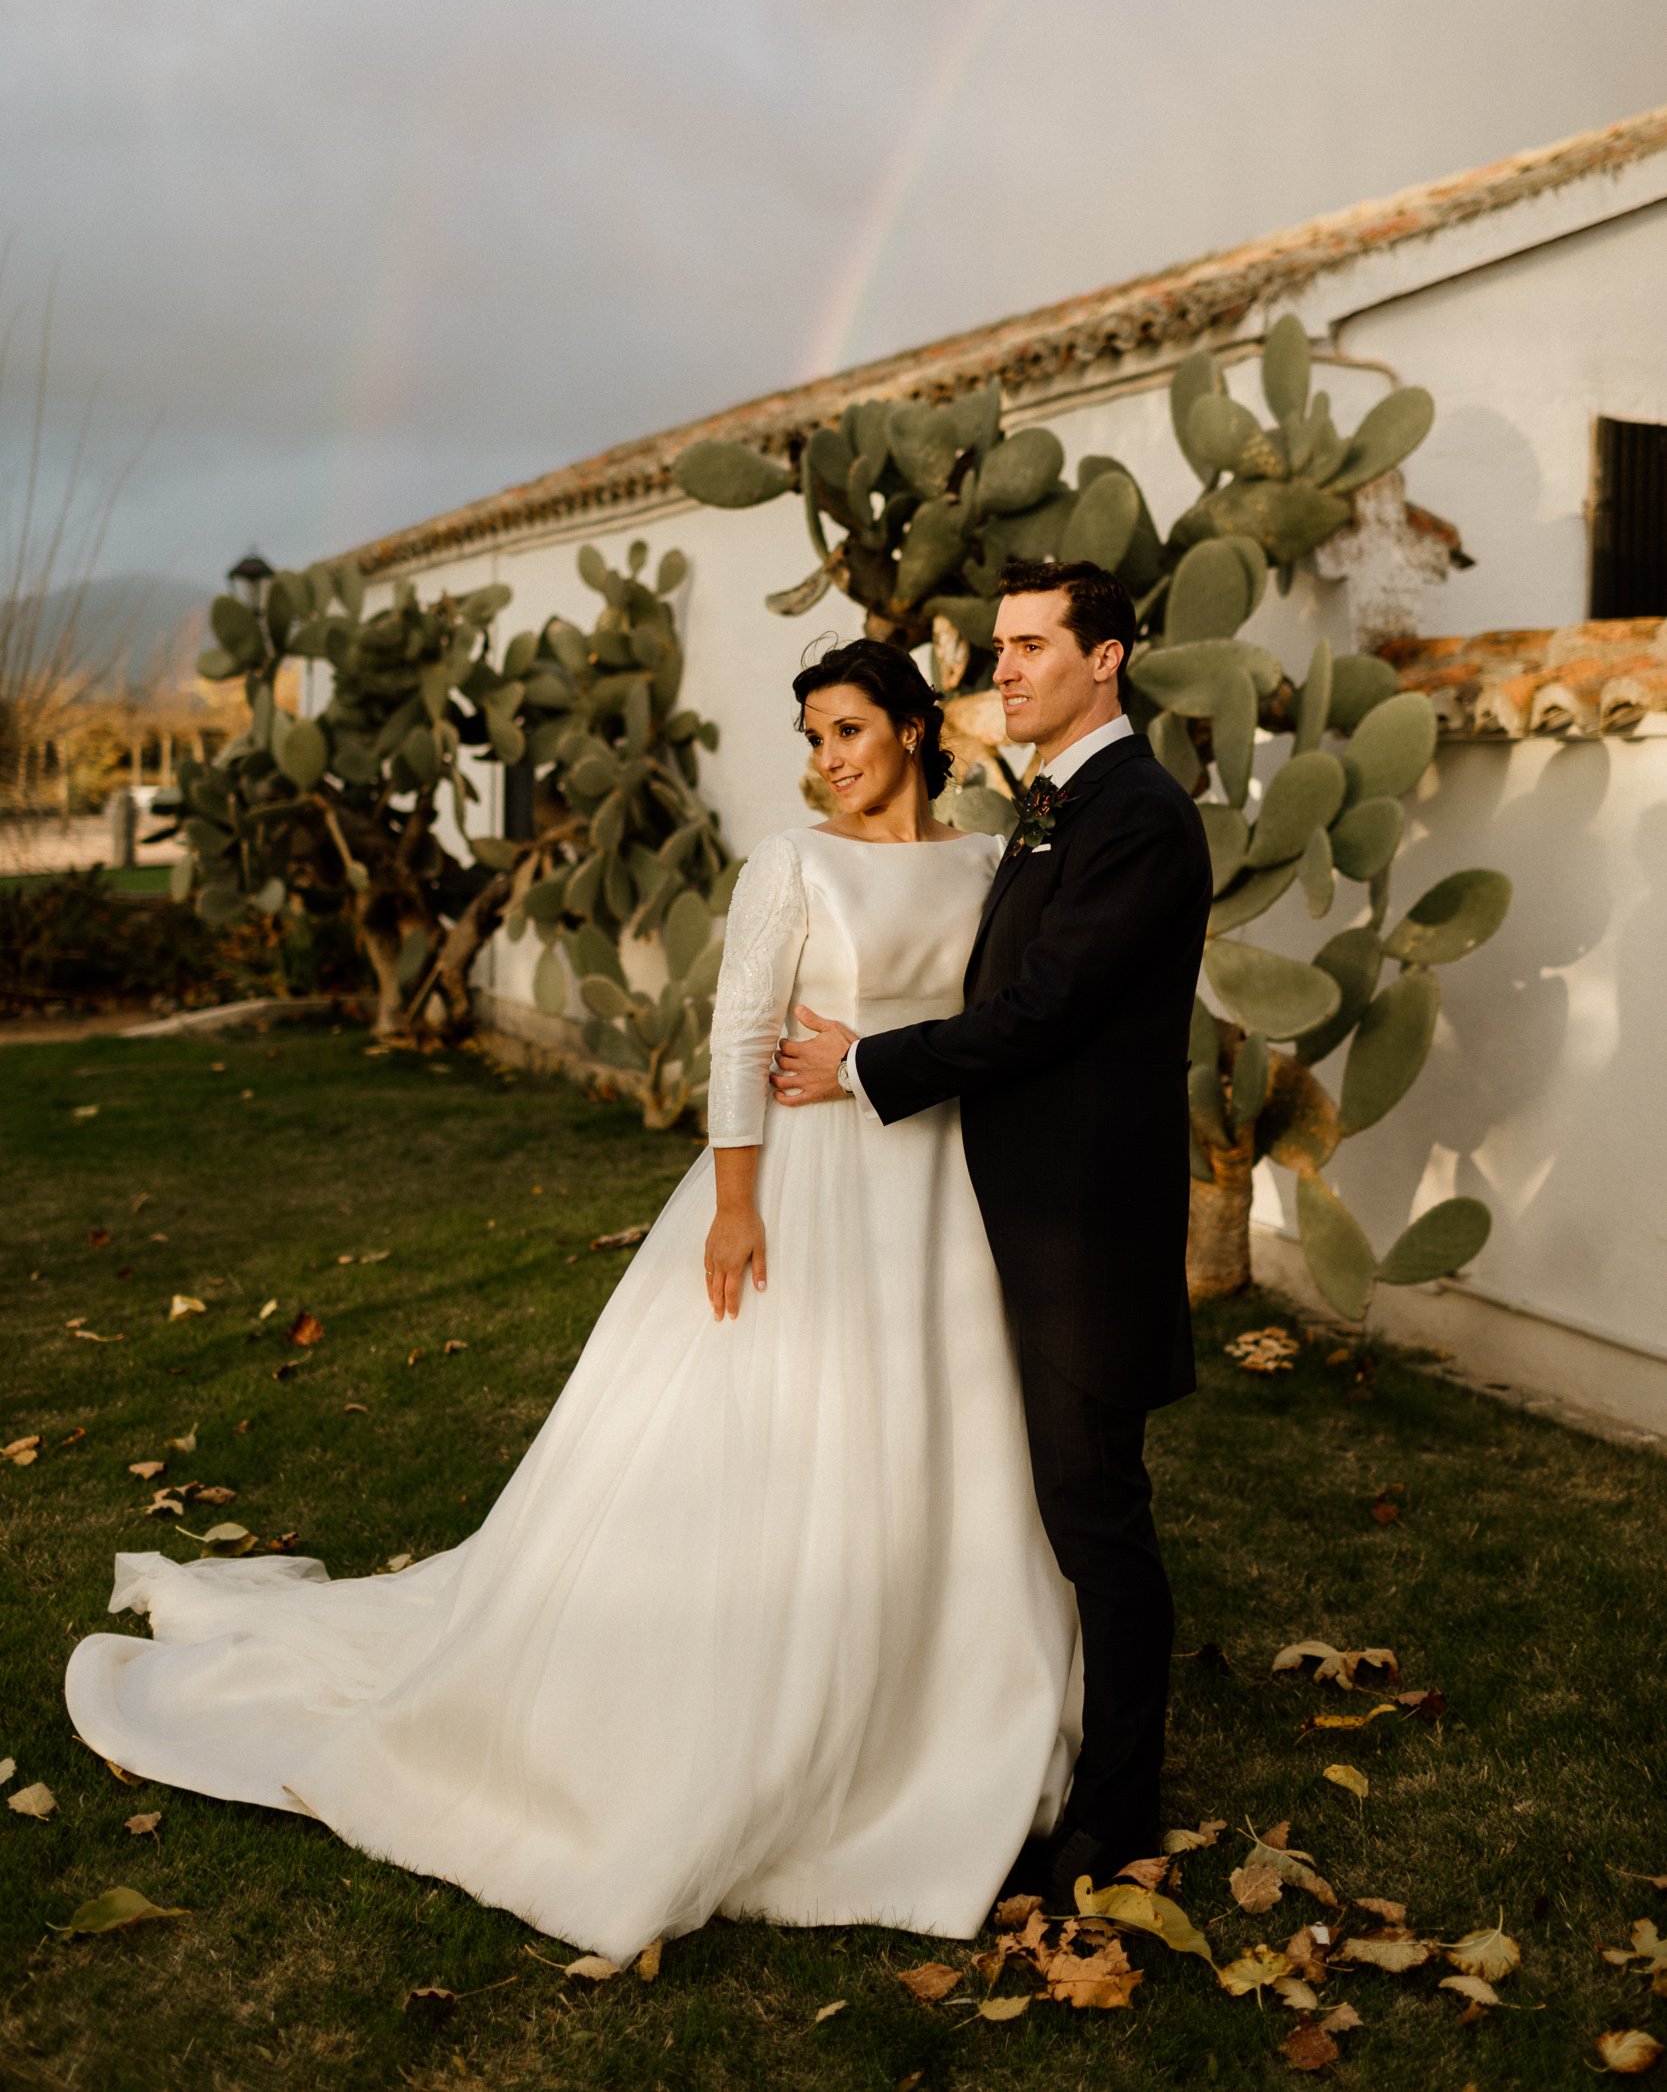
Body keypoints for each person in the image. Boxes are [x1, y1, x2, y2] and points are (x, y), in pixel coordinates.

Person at [64, 640, 1078, 1964]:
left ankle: (941, 1714)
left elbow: (989, 1022)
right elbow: (735, 1036)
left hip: (938, 1189)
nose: (825, 760)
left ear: (911, 727)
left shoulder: (987, 860)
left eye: (846, 730)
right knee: (780, 1449)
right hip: (806, 1189)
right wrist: (732, 1203)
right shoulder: (792, 861)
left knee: (944, 1445)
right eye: (812, 736)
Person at [773, 558, 1213, 1910]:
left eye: (1030, 648)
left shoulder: (1136, 816)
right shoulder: (1051, 805)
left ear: (1108, 659)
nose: (1003, 670)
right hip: (1012, 1215)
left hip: (1082, 1232)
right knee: (1055, 1514)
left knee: (1097, 1519)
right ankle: (1042, 1752)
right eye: (1002, 649)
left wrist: (865, 1065)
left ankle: (1121, 1810)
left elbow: (1047, 1011)